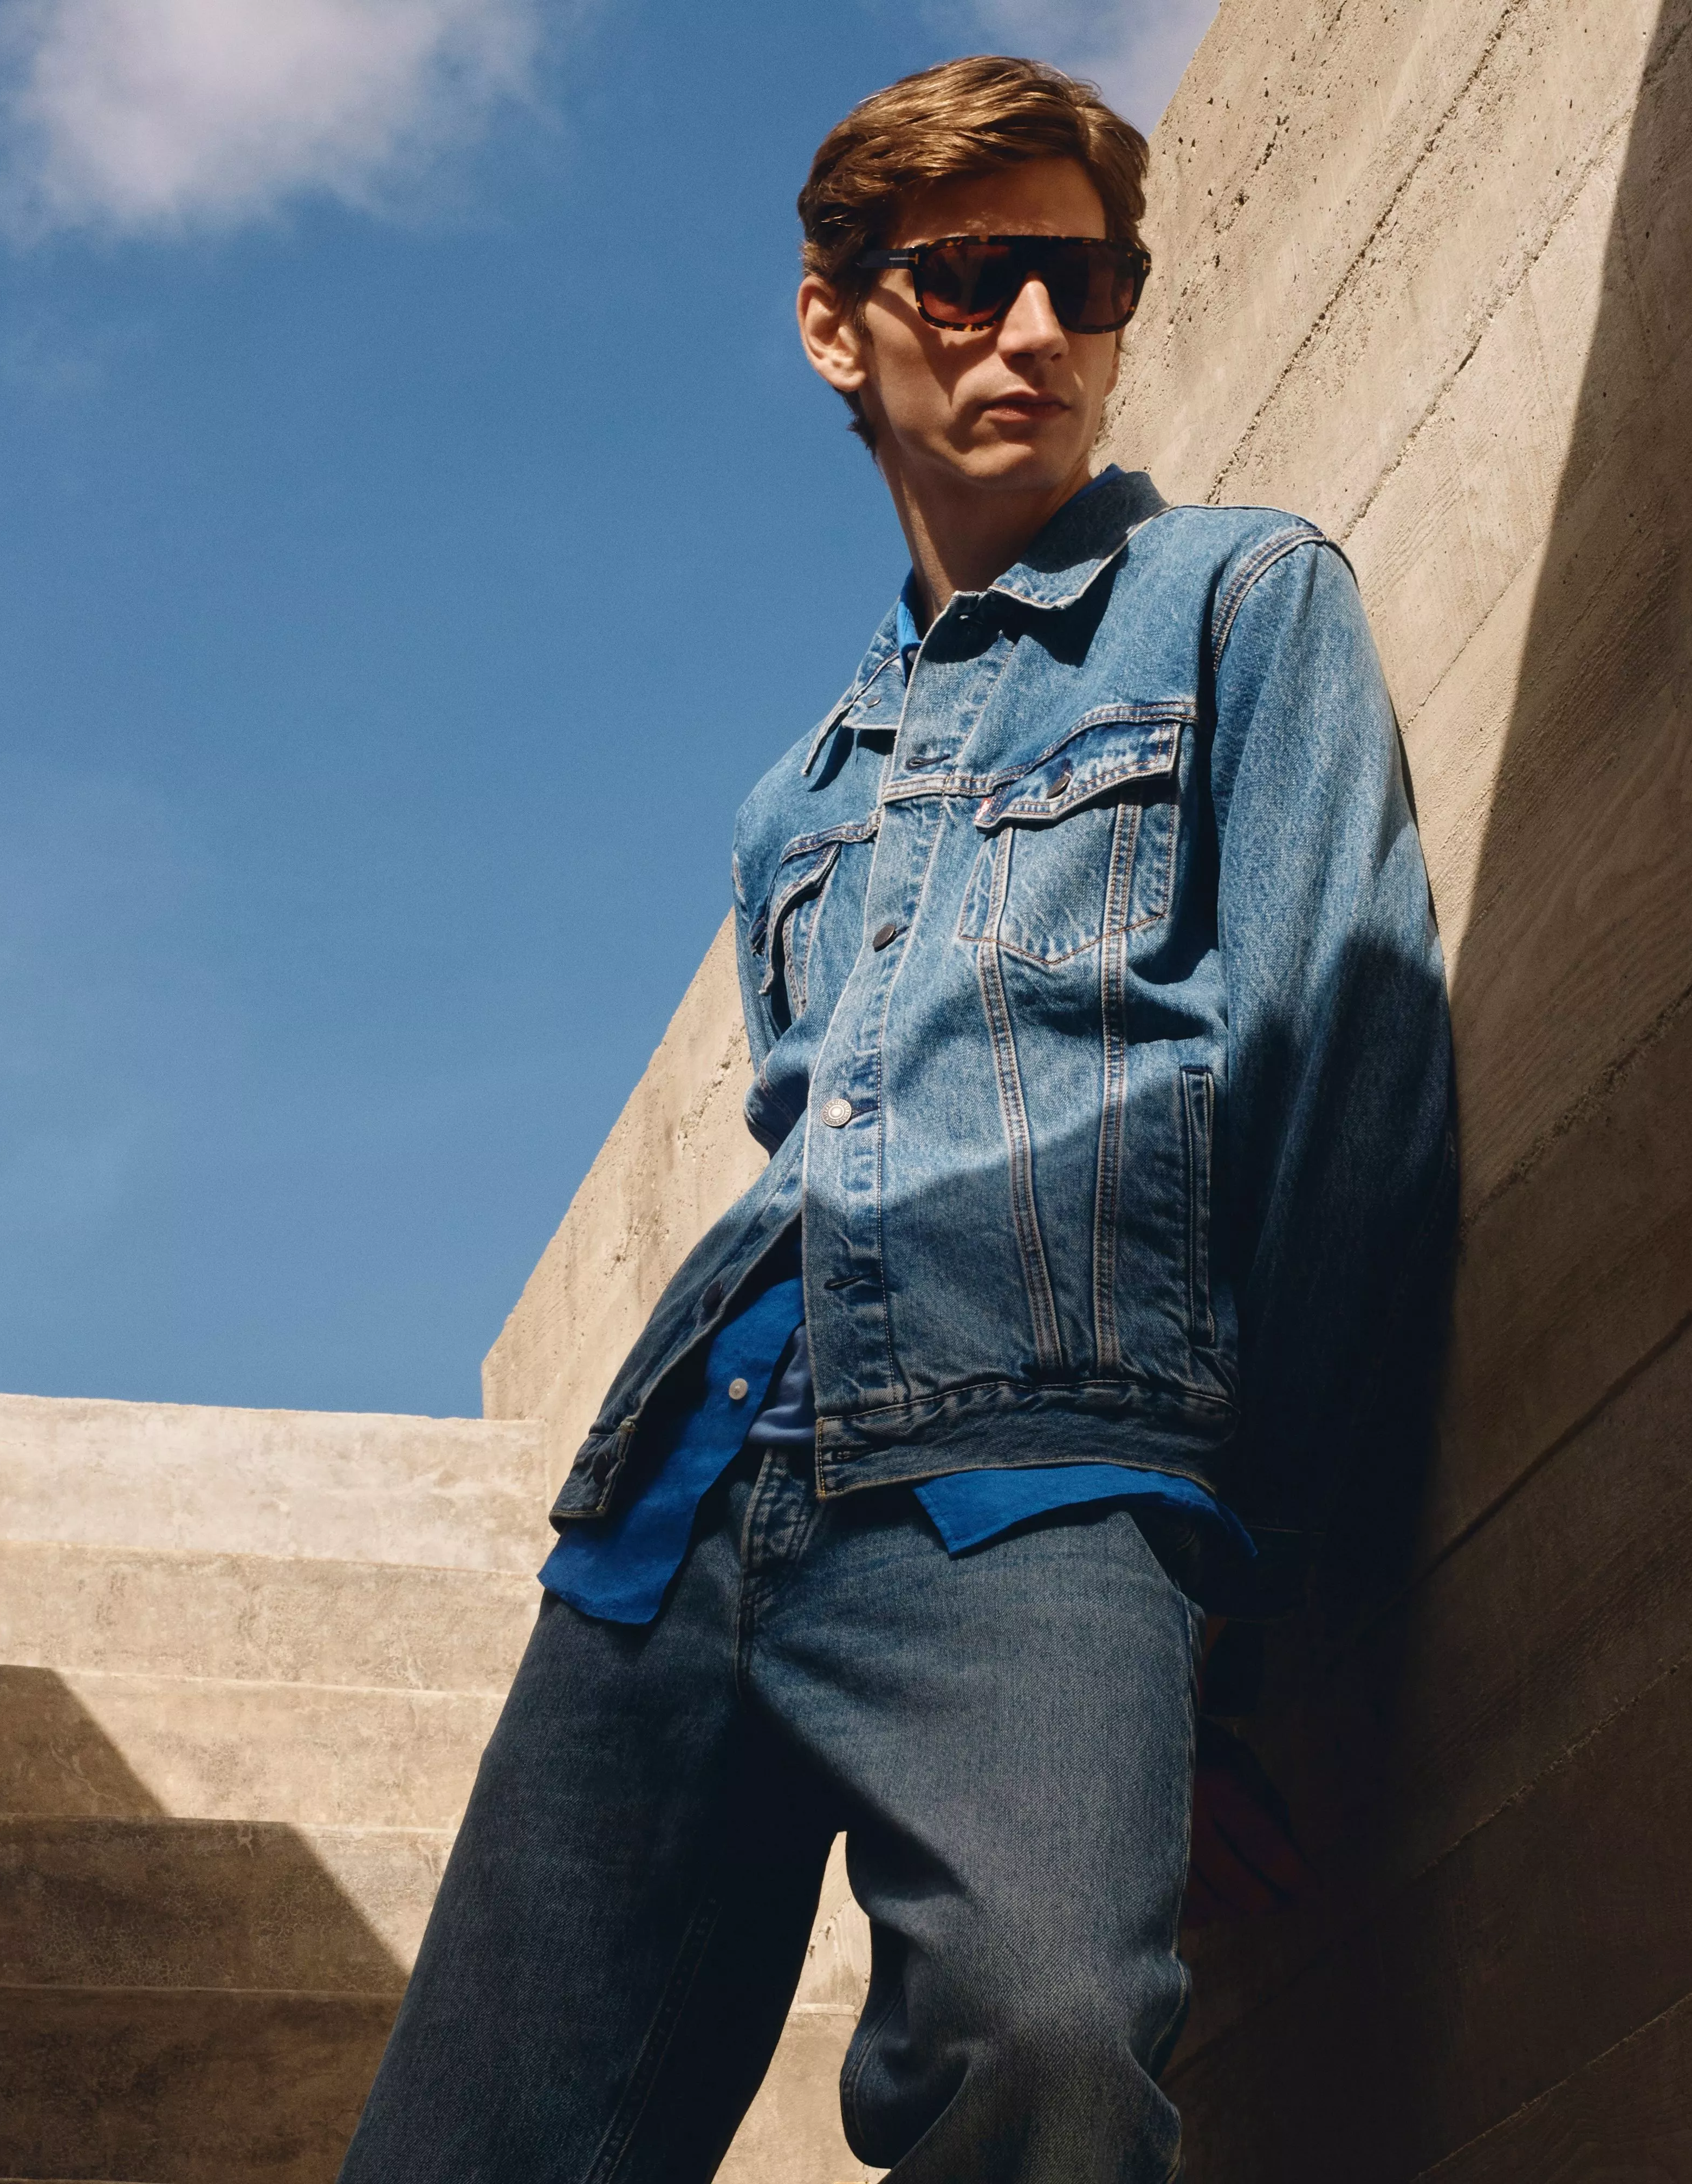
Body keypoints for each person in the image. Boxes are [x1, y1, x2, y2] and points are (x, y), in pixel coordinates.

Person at [337, 53, 1457, 2184]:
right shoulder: (799, 801)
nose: (1039, 330)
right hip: (682, 1504)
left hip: (1034, 1473)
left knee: (1041, 2050)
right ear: (835, 319)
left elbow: (1352, 1106)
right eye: (970, 277)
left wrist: (1265, 1623)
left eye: (1085, 280)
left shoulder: (1237, 605)